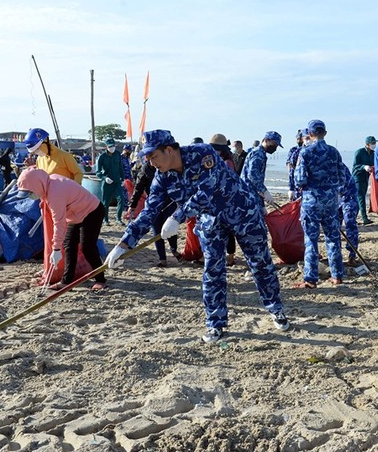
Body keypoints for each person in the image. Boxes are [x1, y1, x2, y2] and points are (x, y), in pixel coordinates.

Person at [104, 129, 289, 343]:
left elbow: (209, 189)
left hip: (242, 212)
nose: (152, 163)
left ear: (170, 150)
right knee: (213, 270)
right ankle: (215, 323)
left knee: (260, 263)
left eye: (154, 156)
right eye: (147, 158)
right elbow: (149, 210)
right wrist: (124, 244)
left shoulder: (202, 154)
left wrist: (177, 216)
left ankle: (276, 309)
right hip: (211, 221)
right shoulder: (162, 178)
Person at [17, 168, 107, 291]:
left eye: (30, 192)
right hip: (76, 215)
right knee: (69, 244)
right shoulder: (48, 183)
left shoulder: (55, 194)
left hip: (92, 211)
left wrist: (56, 249)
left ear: (37, 185)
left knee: (87, 247)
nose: (31, 196)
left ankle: (100, 279)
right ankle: (66, 281)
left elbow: (59, 223)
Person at [293, 119, 347, 288]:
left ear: (309, 134)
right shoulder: (334, 152)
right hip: (331, 201)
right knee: (333, 237)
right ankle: (337, 275)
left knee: (311, 239)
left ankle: (310, 278)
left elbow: (300, 179)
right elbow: (343, 177)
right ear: (325, 132)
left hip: (312, 201)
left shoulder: (305, 153)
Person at [127, 152, 180, 268]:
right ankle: (162, 258)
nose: (154, 163)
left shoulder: (168, 166)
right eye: (150, 159)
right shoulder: (145, 170)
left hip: (169, 202)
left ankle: (174, 249)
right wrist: (133, 204)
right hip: (154, 204)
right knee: (157, 231)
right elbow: (138, 188)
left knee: (169, 227)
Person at [210, 133, 239, 266]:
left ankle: (230, 255)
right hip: (219, 201)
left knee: (228, 230)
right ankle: (227, 255)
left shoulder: (227, 162)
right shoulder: (221, 161)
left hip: (226, 201)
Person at [240, 131, 283, 213]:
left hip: (253, 193)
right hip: (249, 195)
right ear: (266, 140)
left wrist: (262, 204)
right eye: (274, 144)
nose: (275, 147)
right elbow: (253, 176)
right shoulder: (258, 154)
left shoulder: (260, 153)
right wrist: (265, 191)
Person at [96, 138, 125, 225]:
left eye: (113, 146)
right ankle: (105, 220)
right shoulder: (102, 157)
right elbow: (98, 172)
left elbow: (120, 167)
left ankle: (118, 219)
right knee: (106, 202)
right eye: (110, 146)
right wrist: (104, 178)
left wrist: (123, 178)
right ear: (106, 147)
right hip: (107, 183)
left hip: (117, 181)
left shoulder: (117, 154)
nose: (112, 148)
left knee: (121, 199)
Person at [352, 135, 377, 225]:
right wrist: (364, 167)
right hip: (357, 177)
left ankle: (353, 218)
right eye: (372, 143)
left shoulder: (373, 154)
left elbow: (374, 164)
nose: (374, 145)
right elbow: (355, 166)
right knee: (361, 198)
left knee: (360, 198)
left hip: (366, 177)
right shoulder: (359, 152)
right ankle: (364, 218)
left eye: (374, 143)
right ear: (367, 144)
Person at [339, 166, 360, 266]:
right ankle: (336, 255)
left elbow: (343, 184)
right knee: (334, 227)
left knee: (350, 225)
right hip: (334, 200)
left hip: (348, 197)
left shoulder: (337, 165)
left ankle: (352, 255)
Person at [286, 130, 305, 201]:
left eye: (300, 139)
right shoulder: (294, 150)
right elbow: (290, 167)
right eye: (297, 139)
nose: (299, 141)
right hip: (297, 184)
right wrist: (291, 188)